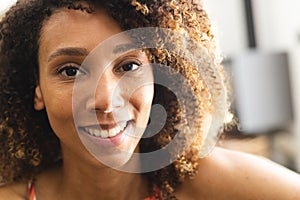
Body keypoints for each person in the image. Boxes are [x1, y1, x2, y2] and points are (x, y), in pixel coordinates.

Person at [0, 0, 299, 199]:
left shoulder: (203, 183)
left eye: (128, 66)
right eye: (70, 70)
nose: (105, 100)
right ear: (36, 88)